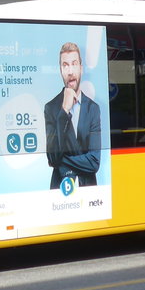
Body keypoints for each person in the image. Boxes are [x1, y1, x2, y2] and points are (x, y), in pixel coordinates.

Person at [44, 42, 102, 189]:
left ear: (81, 69)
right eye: (65, 65)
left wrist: (61, 160)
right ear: (60, 71)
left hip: (87, 190)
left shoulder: (93, 109)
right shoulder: (51, 108)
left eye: (74, 64)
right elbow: (52, 157)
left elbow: (94, 162)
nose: (70, 71)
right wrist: (64, 110)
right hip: (60, 190)